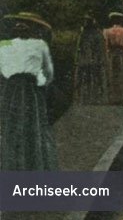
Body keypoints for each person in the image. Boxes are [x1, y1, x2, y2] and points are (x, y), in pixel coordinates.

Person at [0, 12, 60, 170]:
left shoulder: (38, 45)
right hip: (24, 88)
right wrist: (41, 83)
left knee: (19, 125)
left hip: (18, 88)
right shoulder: (8, 44)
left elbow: (47, 72)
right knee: (27, 125)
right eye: (20, 24)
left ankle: (20, 166)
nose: (21, 27)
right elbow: (48, 74)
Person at [74, 16, 108, 104]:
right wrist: (102, 59)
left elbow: (78, 47)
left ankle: (84, 99)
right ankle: (94, 98)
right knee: (95, 79)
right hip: (95, 60)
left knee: (84, 80)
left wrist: (77, 60)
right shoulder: (98, 33)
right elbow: (101, 48)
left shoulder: (83, 34)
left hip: (84, 60)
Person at [103, 12, 123, 104]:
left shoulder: (107, 31)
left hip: (112, 56)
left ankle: (114, 98)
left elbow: (106, 46)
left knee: (113, 76)